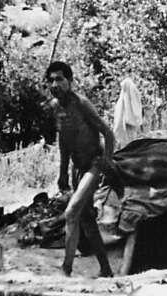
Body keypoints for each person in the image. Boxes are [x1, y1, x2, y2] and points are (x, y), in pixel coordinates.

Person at [46, 61, 115, 277]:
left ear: (70, 81)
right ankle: (106, 269)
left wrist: (106, 161)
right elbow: (64, 141)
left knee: (71, 212)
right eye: (51, 80)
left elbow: (108, 133)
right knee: (86, 220)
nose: (55, 84)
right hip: (77, 168)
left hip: (94, 164)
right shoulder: (55, 107)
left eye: (59, 79)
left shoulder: (82, 104)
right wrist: (62, 172)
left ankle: (66, 269)